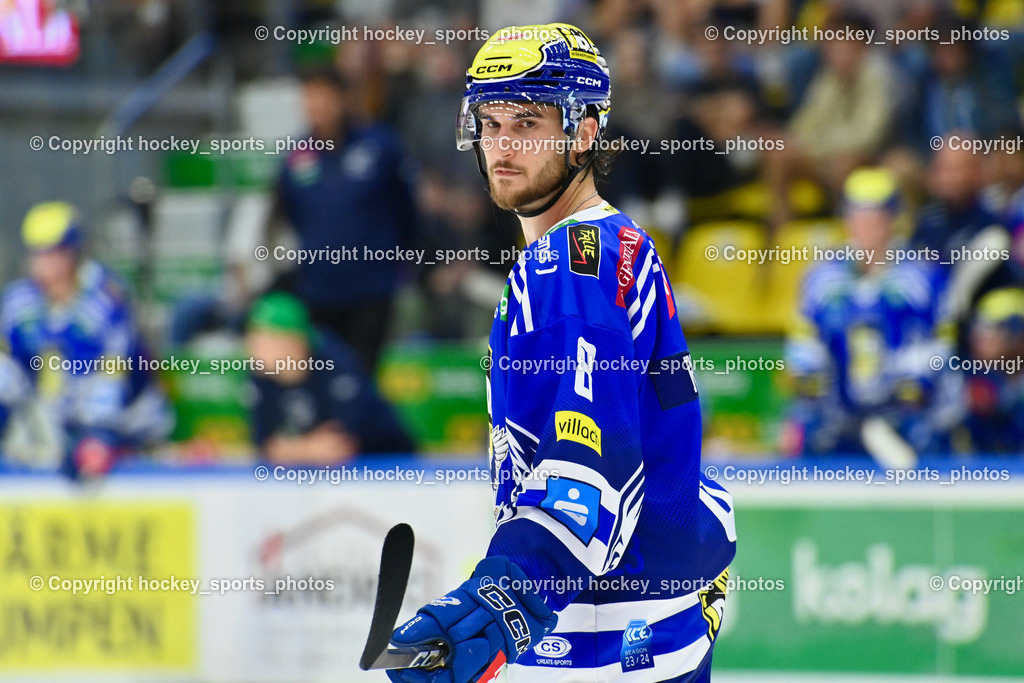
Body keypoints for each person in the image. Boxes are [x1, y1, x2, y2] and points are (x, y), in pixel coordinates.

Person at [386, 24, 736, 683]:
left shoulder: (566, 270)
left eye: (527, 122)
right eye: (489, 123)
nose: (502, 145)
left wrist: (506, 597)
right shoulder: (619, 242)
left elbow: (591, 458)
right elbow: (659, 438)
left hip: (596, 646)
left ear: (583, 133)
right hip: (648, 631)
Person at [783, 169, 958, 458]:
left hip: (908, 413)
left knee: (923, 446)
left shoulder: (923, 277)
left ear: (894, 219)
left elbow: (941, 342)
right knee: (807, 430)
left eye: (876, 217)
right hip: (838, 412)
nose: (867, 227)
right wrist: (807, 375)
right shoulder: (821, 277)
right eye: (858, 216)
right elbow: (804, 338)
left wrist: (914, 382)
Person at [0, 202, 172, 477]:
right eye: (38, 254)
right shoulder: (18, 302)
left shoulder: (107, 297)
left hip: (127, 425)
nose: (47, 263)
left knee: (90, 463)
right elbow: (9, 371)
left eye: (55, 253)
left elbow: (115, 371)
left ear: (75, 252)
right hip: (56, 426)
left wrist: (97, 434)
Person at [270, 67, 418, 372]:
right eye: (309, 99)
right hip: (317, 291)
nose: (316, 107)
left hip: (371, 290)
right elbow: (292, 215)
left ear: (343, 99)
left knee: (360, 380)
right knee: (324, 380)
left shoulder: (380, 146)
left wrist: (400, 262)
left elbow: (407, 211)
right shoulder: (296, 157)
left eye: (323, 97)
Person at [245, 292, 414, 462]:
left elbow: (339, 445)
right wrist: (305, 449)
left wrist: (290, 449)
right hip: (309, 474)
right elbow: (263, 445)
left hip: (385, 464)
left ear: (293, 342)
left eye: (261, 338)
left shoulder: (336, 365)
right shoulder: (261, 375)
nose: (251, 347)